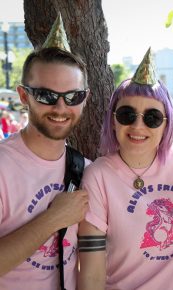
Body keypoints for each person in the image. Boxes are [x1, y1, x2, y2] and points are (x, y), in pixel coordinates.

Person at [78, 48, 173, 290]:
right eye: (127, 115)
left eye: (152, 117)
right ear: (113, 120)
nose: (138, 126)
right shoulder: (98, 175)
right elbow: (91, 271)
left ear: (167, 124)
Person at [0, 14, 89, 289]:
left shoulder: (87, 168)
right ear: (24, 96)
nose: (61, 108)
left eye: (73, 96)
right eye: (47, 96)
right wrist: (53, 219)